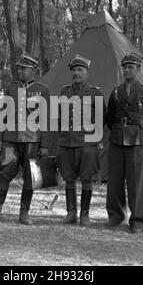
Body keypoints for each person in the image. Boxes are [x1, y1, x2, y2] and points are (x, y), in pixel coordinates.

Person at [0, 52, 50, 225]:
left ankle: (24, 213)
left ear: (33, 70)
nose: (20, 71)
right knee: (5, 175)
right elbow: (2, 115)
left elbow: (45, 119)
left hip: (32, 140)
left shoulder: (43, 90)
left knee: (30, 177)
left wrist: (44, 145)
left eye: (24, 68)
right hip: (10, 140)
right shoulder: (10, 88)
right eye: (19, 68)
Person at [106, 52, 143, 233]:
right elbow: (109, 118)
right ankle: (116, 216)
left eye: (130, 67)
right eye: (124, 67)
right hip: (117, 140)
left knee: (137, 182)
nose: (126, 70)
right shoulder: (115, 92)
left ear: (138, 69)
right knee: (114, 181)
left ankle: (138, 221)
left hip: (137, 141)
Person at [57, 54, 106, 226]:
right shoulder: (65, 92)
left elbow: (102, 119)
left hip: (86, 144)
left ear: (87, 73)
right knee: (69, 179)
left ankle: (85, 213)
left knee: (86, 179)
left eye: (80, 70)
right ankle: (71, 212)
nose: (76, 73)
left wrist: (96, 141)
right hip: (67, 143)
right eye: (74, 70)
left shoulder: (95, 93)